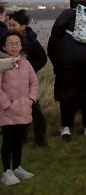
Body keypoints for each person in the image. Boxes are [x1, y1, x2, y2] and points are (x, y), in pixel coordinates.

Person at [47, 0, 86, 141]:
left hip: (68, 62)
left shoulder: (65, 16)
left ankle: (66, 127)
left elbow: (53, 42)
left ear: (71, 3)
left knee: (67, 94)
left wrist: (56, 63)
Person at [0, 31, 39, 186]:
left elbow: (34, 82)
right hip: (7, 111)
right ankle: (6, 171)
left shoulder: (25, 63)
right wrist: (6, 104)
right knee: (8, 140)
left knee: (19, 139)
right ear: (4, 46)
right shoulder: (2, 64)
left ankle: (17, 167)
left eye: (18, 44)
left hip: (24, 109)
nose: (15, 47)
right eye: (11, 44)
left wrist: (31, 99)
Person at [6, 10, 48, 147]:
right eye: (9, 25)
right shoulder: (5, 41)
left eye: (13, 25)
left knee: (35, 111)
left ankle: (40, 139)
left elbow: (42, 58)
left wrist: (29, 71)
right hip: (10, 83)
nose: (10, 28)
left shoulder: (31, 41)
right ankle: (20, 138)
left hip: (26, 84)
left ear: (23, 27)